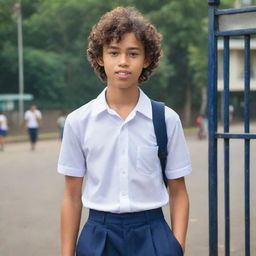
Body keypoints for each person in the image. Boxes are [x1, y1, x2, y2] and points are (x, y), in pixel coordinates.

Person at [58, 7, 192, 256]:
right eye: (113, 52)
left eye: (133, 53)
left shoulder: (166, 119)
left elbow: (178, 191)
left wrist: (177, 246)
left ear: (147, 59)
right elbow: (72, 195)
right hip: (98, 234)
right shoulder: (78, 121)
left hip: (153, 233)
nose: (123, 61)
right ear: (100, 57)